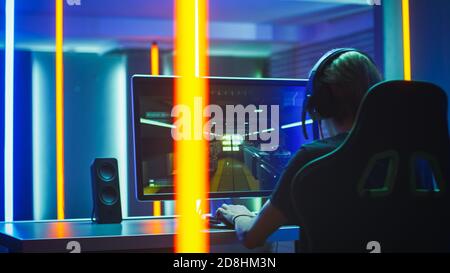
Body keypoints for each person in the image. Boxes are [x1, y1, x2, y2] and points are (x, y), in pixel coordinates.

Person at [216, 50, 383, 249]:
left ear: (321, 101)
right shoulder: (408, 158)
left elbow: (253, 236)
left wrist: (239, 215)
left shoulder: (314, 158)